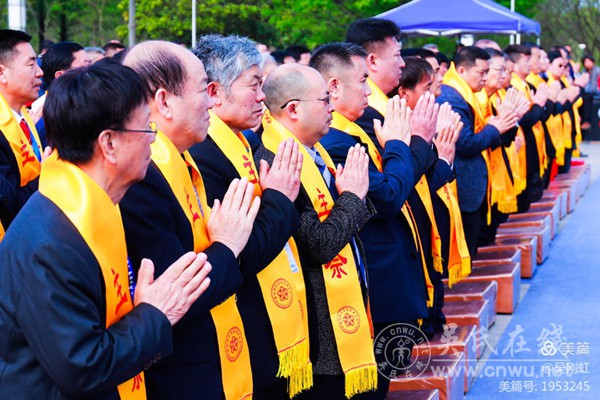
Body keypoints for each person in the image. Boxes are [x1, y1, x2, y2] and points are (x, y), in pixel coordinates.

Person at [0, 60, 213, 399]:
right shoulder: (52, 242)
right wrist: (154, 314)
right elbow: (84, 368)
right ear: (109, 144)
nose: (153, 142)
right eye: (147, 129)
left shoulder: (96, 203)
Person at [121, 41, 261, 399]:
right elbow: (180, 294)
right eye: (204, 89)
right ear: (164, 101)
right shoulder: (142, 177)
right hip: (179, 374)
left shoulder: (181, 160)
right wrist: (227, 245)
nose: (213, 102)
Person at [191, 34, 309, 399]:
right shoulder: (203, 156)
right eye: (254, 85)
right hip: (239, 322)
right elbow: (239, 255)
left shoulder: (247, 143)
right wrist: (279, 199)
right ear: (215, 92)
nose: (262, 97)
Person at [259, 63, 378, 399]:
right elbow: (318, 245)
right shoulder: (276, 159)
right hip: (321, 326)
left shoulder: (315, 150)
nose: (332, 108)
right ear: (293, 109)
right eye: (325, 100)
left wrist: (352, 198)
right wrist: (353, 196)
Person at [436, 46, 519, 256]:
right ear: (462, 71)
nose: (485, 78)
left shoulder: (468, 95)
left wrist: (503, 124)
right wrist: (495, 127)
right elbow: (465, 144)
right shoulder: (452, 97)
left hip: (474, 183)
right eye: (481, 72)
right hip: (462, 184)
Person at [0, 29, 45, 239]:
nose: (40, 72)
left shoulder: (24, 115)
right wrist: (49, 172)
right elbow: (8, 205)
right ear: (2, 73)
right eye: (31, 64)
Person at [32, 41, 93, 147]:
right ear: (61, 76)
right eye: (85, 67)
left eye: (92, 65)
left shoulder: (89, 106)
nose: (93, 72)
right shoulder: (47, 118)